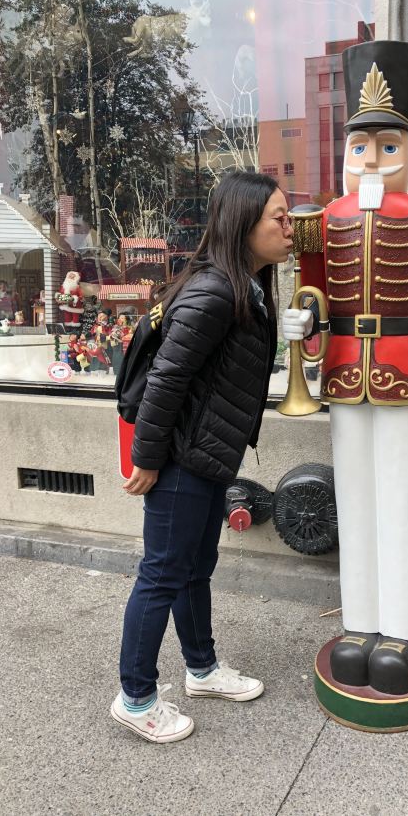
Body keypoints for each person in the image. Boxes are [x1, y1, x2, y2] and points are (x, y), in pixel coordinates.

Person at [282, 40, 408, 698]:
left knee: (400, 502)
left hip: (405, 369)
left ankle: (400, 631)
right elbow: (312, 289)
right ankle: (359, 623)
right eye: (360, 146)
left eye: (386, 146)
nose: (370, 159)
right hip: (344, 372)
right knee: (356, 502)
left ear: (407, 148)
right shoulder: (323, 219)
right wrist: (305, 326)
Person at [111, 171, 292, 743]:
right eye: (280, 218)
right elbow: (167, 379)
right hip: (180, 459)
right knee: (162, 573)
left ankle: (202, 669)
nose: (290, 228)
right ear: (244, 224)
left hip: (209, 455)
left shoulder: (247, 286)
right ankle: (136, 698)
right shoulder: (215, 292)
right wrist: (146, 459)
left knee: (195, 568)